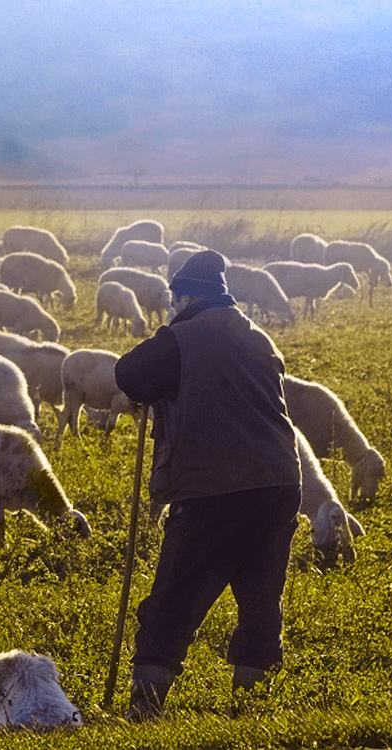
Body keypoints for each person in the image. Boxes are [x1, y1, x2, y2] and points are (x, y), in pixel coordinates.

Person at [113, 249, 302, 721]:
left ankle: (146, 708)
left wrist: (167, 332)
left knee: (175, 596)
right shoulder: (259, 337)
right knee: (261, 599)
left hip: (216, 487)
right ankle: (251, 707)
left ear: (185, 297)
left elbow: (130, 374)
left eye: (174, 299)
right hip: (278, 484)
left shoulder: (185, 336)